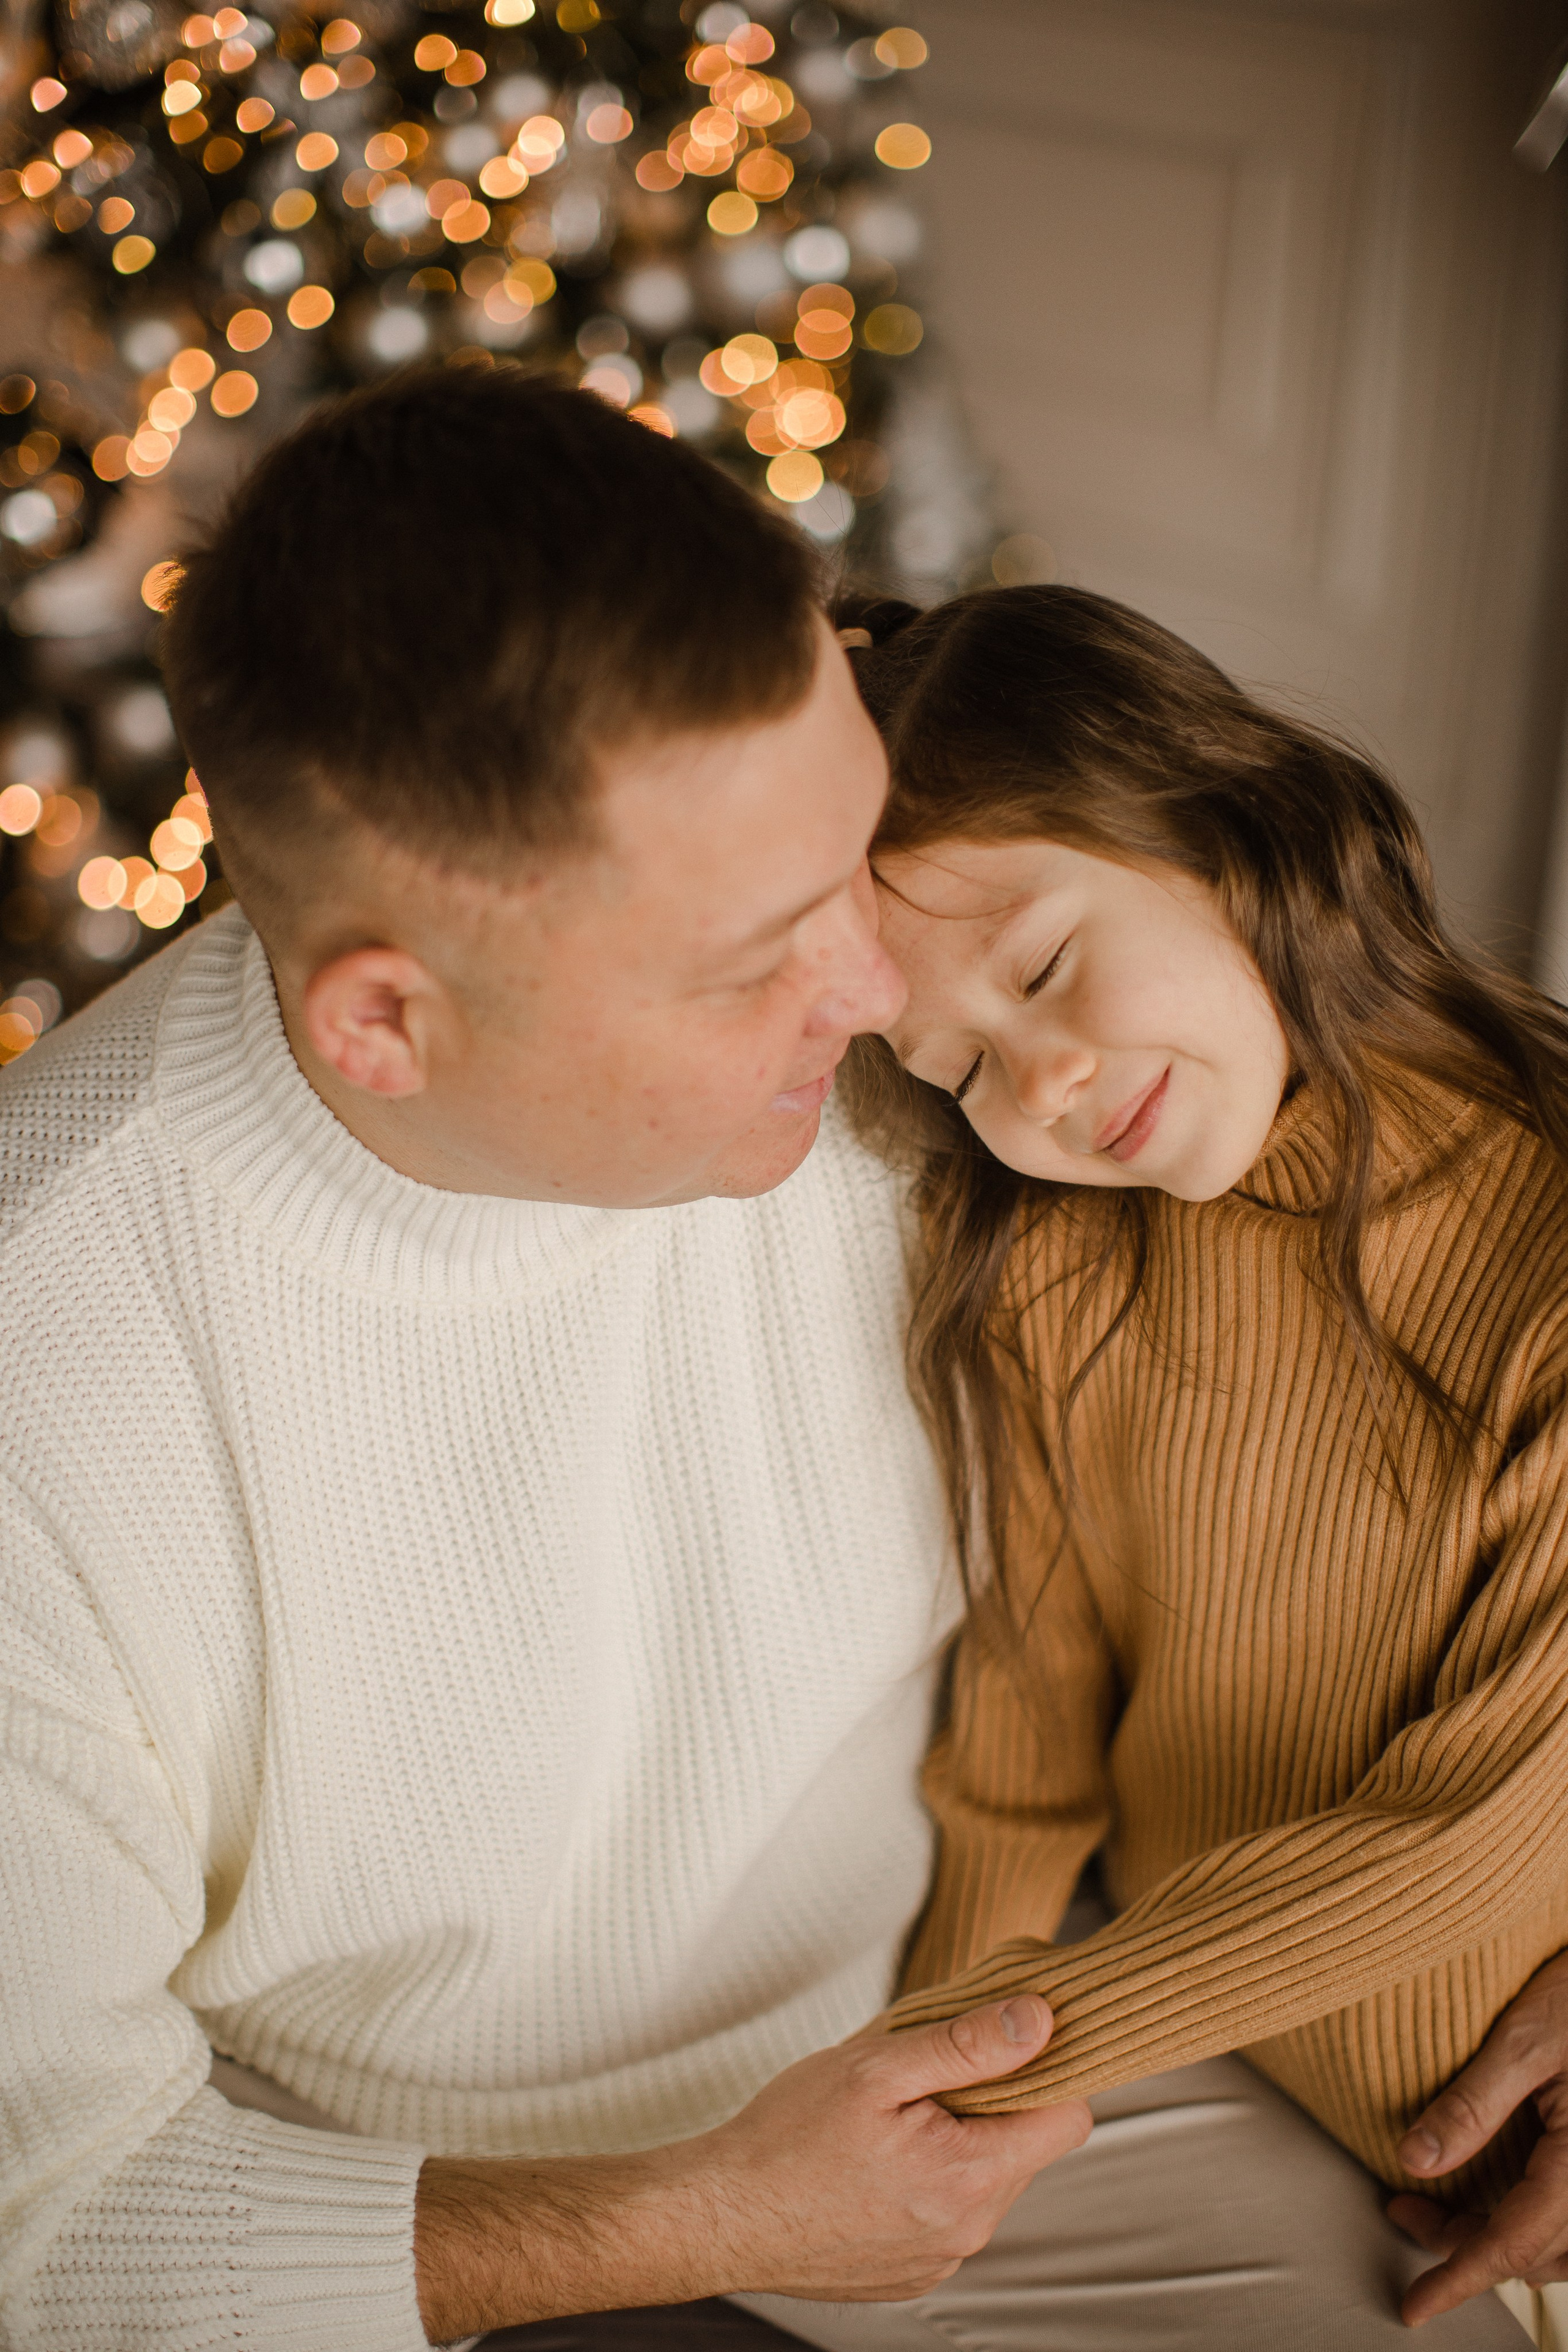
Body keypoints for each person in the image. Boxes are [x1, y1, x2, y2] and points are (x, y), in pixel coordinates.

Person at [0, 372, 1553, 2352]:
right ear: (388, 1023)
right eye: (760, 957)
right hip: (413, 2192)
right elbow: (48, 2220)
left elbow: (1462, 1356)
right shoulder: (47, 1380)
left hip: (1008, 2001)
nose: (882, 999)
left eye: (855, 857)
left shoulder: (983, 1037)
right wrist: (696, 2215)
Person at [773, 583, 1568, 2346]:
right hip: (1190, 2066)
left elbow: (1453, 1843)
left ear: (1224, 822)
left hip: (1491, 2159)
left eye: (1046, 964)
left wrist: (970, 2075)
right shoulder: (1055, 1268)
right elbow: (1027, 1735)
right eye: (962, 1060)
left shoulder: (1545, 1264)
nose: (1042, 1083)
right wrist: (952, 2074)